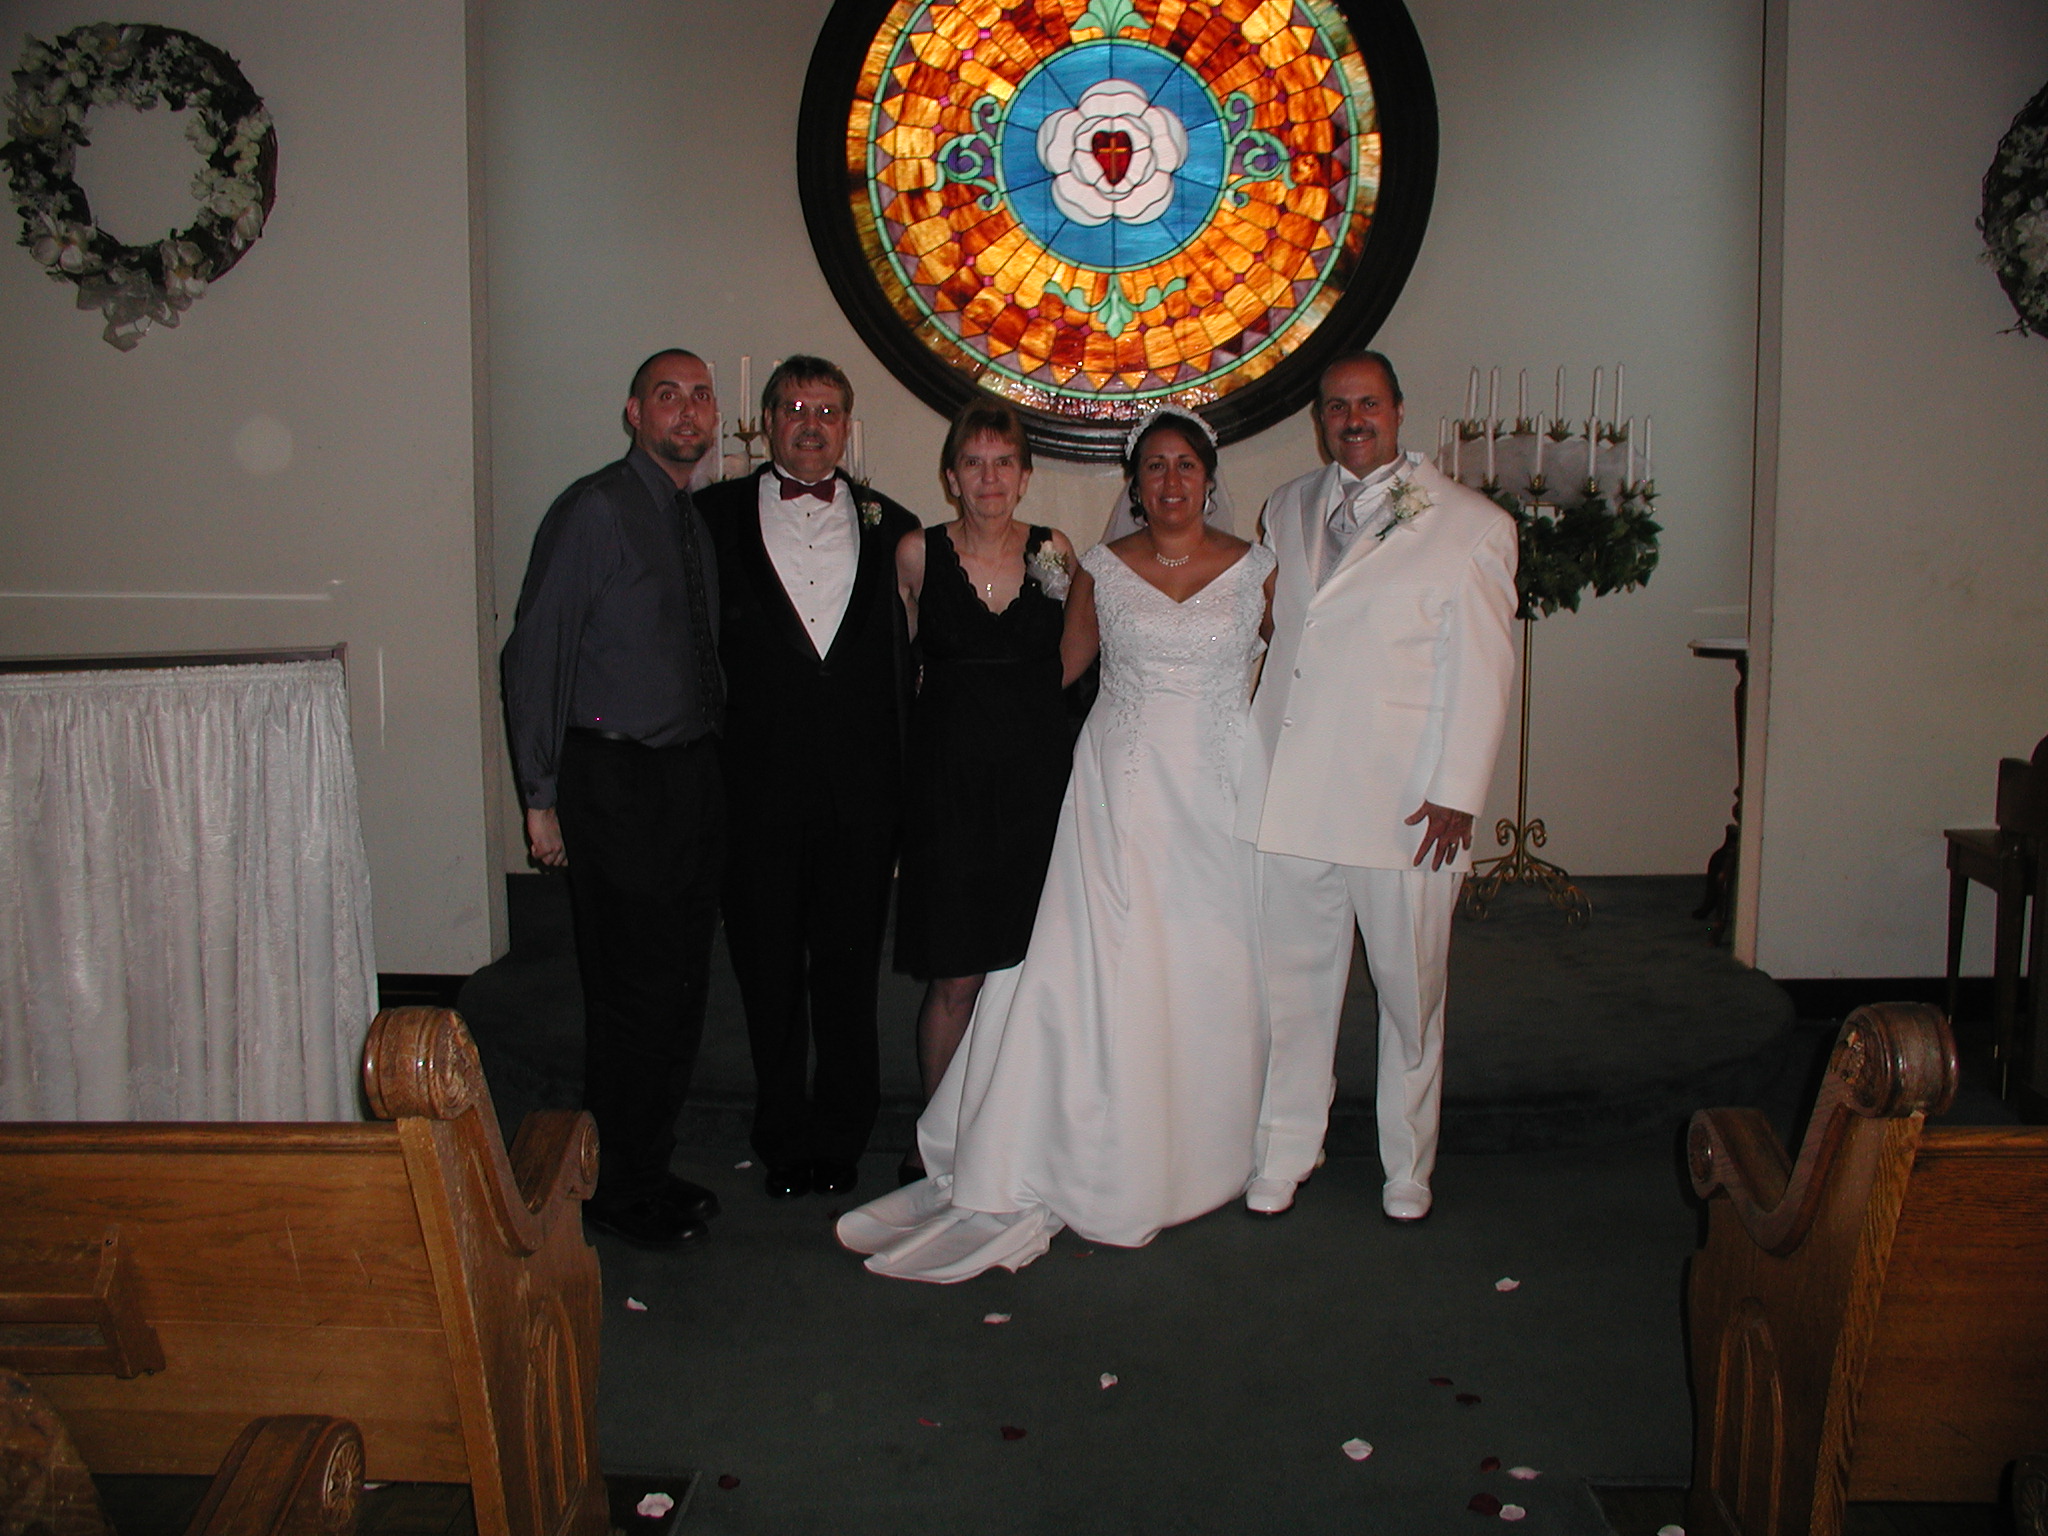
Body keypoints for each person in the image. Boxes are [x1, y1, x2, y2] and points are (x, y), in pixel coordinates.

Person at [837, 407, 1277, 1282]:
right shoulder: (1098, 568)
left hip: (1219, 791)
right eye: (1154, 467)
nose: (1170, 481)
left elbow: (1298, 668)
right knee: (1093, 962)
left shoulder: (1259, 569)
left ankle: (1207, 1137)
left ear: (1208, 477)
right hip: (1118, 787)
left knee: (1210, 957)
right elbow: (1062, 668)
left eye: (1185, 465)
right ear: (1135, 483)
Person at [1236, 350, 1519, 1223]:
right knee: (1291, 992)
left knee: (1409, 996)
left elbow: (1483, 666)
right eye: (1335, 406)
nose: (1351, 419)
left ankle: (1408, 1164)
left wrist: (1458, 789)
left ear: (1397, 409)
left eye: (1367, 403)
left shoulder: (1470, 523)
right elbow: (1282, 637)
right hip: (1292, 795)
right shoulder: (1286, 505)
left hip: (1406, 806)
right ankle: (1286, 1148)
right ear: (1319, 419)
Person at [500, 348, 727, 1250]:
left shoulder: (689, 519)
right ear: (634, 413)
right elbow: (535, 651)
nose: (687, 411)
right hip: (615, 778)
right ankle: (613, 1188)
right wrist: (540, 795)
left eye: (700, 396)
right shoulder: (595, 509)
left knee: (679, 986)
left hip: (686, 779)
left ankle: (646, 1166)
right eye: (667, 395)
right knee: (631, 992)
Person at [693, 357, 919, 1202]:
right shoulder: (710, 517)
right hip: (753, 792)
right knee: (768, 972)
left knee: (849, 973)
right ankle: (783, 1133)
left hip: (860, 798)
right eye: (794, 407)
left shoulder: (895, 525)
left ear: (847, 426)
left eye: (827, 410)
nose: (811, 423)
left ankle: (844, 1132)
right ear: (768, 421)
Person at [892, 400, 1079, 1182]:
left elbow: (1074, 658)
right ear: (951, 476)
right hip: (951, 795)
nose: (990, 478)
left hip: (1035, 793)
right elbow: (895, 675)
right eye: (974, 462)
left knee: (1032, 976)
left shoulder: (1053, 551)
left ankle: (1017, 1131)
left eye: (1005, 462)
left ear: (1026, 475)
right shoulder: (916, 555)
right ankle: (938, 1138)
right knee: (957, 975)